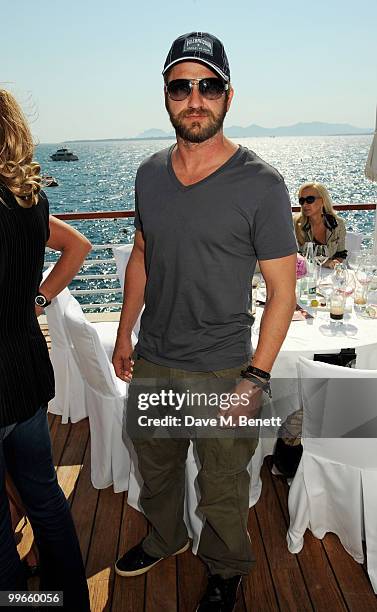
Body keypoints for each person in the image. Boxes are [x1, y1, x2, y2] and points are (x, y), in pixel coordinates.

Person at [112, 32, 297, 612]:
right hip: (155, 361)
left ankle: (225, 568)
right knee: (157, 467)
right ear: (165, 96)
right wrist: (124, 335)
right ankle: (166, 537)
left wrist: (257, 377)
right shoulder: (147, 175)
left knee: (221, 486)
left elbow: (282, 289)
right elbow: (142, 256)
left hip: (223, 371)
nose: (195, 99)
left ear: (228, 95)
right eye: (181, 87)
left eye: (208, 85)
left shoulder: (261, 184)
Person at [0, 89, 91, 610]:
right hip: (27, 374)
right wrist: (37, 298)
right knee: (45, 496)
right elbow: (77, 245)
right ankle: (70, 599)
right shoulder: (28, 199)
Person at [294, 181, 347, 267]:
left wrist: (335, 264)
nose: (305, 204)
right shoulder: (295, 224)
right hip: (305, 275)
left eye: (309, 200)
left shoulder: (337, 224)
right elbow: (294, 256)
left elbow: (341, 253)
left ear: (322, 201)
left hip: (328, 275)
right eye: (302, 201)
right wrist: (325, 263)